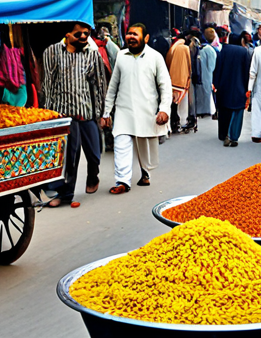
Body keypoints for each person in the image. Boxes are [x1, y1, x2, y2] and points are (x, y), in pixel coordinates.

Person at [42, 22, 108, 207]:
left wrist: (101, 113)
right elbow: (48, 84)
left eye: (86, 34)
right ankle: (66, 194)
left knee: (94, 154)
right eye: (79, 34)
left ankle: (93, 176)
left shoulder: (92, 54)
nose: (84, 37)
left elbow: (99, 86)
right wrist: (49, 114)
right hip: (64, 114)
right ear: (68, 34)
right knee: (70, 156)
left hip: (87, 113)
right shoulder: (52, 52)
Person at [101, 24, 172, 194]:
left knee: (145, 147)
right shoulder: (121, 56)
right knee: (121, 143)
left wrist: (164, 109)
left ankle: (145, 172)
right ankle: (123, 181)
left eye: (135, 34)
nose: (131, 37)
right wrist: (106, 112)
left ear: (145, 38)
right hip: (124, 110)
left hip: (146, 110)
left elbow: (165, 85)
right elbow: (113, 86)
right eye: (129, 33)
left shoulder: (155, 57)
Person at [214, 34, 251, 146]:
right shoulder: (244, 52)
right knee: (237, 111)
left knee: (224, 110)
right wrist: (247, 87)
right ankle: (233, 136)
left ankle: (223, 134)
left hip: (224, 86)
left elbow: (217, 69)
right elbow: (247, 71)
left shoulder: (223, 51)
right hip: (239, 86)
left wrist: (216, 83)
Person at [166, 35, 191, 134]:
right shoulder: (185, 48)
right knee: (182, 105)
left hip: (172, 79)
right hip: (182, 80)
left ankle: (173, 123)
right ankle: (181, 122)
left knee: (172, 104)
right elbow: (189, 64)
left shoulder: (172, 48)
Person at [196, 29, 218, 118]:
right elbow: (212, 66)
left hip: (201, 77)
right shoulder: (211, 50)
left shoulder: (201, 49)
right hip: (208, 76)